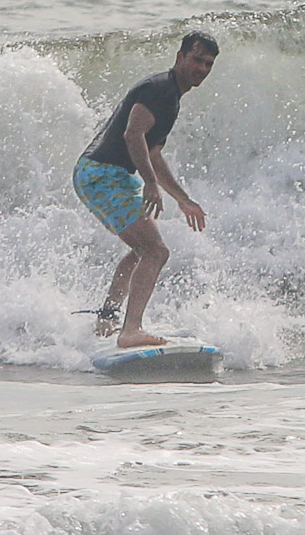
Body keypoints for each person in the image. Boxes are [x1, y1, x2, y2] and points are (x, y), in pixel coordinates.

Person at [73, 31, 219, 348]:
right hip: (102, 175)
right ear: (180, 57)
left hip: (102, 174)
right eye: (197, 60)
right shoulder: (160, 89)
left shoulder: (171, 97)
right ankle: (130, 330)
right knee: (156, 250)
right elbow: (133, 134)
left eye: (208, 64)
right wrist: (150, 183)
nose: (202, 69)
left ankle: (108, 319)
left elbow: (152, 152)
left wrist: (183, 199)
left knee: (144, 250)